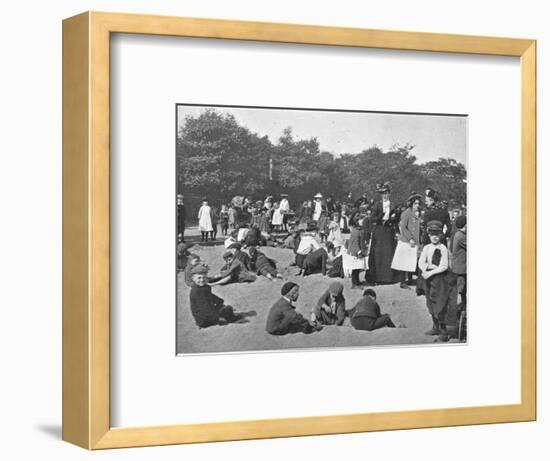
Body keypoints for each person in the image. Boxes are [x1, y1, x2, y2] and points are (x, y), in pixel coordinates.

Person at [418, 220, 451, 342]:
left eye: (437, 235)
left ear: (441, 235)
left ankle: (444, 331)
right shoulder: (427, 248)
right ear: (428, 235)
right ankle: (435, 326)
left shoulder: (443, 248)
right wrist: (424, 270)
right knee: (430, 303)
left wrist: (431, 272)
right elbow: (421, 261)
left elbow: (444, 266)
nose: (434, 237)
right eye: (432, 235)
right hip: (428, 278)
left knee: (440, 304)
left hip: (439, 279)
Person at [391, 192, 422, 289]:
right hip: (406, 241)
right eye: (415, 203)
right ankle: (402, 282)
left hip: (414, 241)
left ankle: (410, 278)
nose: (417, 205)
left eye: (418, 203)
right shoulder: (406, 213)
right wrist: (410, 239)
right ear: (411, 204)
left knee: (411, 261)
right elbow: (403, 228)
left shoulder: (417, 213)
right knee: (404, 262)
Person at [370, 182, 398, 284]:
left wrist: (392, 219)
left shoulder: (393, 204)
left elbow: (397, 219)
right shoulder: (377, 205)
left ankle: (388, 278)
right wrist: (380, 217)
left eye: (386, 193)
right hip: (379, 231)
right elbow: (372, 218)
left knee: (389, 254)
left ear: (389, 194)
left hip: (389, 231)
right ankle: (377, 277)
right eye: (383, 193)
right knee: (378, 254)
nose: (385, 195)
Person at [450, 215, 467, 326]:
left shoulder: (458, 234)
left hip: (460, 268)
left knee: (463, 291)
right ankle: (462, 312)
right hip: (461, 269)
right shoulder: (461, 236)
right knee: (461, 291)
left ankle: (463, 309)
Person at [345, 218, 367, 289]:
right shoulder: (355, 232)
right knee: (355, 269)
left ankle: (357, 282)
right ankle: (354, 284)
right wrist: (359, 252)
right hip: (354, 252)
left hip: (356, 251)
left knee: (357, 268)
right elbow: (355, 244)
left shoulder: (359, 230)